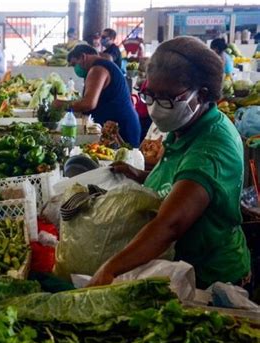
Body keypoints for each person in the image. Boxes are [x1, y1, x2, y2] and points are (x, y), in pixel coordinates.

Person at [89, 36, 250, 289]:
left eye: (167, 98)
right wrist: (140, 175)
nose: (155, 107)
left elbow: (171, 224)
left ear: (202, 95)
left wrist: (110, 268)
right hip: (178, 264)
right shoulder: (185, 125)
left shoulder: (211, 148)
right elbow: (176, 182)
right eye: (149, 95)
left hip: (209, 278)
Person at [52, 44, 141, 147]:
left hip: (122, 129)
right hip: (121, 124)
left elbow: (88, 104)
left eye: (74, 64)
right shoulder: (103, 65)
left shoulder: (97, 69)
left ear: (83, 57)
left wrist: (60, 104)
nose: (75, 68)